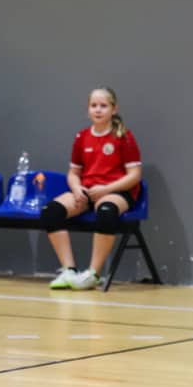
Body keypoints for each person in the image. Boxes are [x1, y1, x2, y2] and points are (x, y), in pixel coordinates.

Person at [39, 87, 142, 291]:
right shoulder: (82, 137)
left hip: (116, 191)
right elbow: (73, 173)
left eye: (103, 106)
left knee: (106, 212)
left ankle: (93, 274)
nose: (98, 110)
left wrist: (106, 189)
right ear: (88, 109)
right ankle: (69, 270)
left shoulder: (124, 136)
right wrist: (77, 188)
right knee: (51, 211)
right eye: (94, 105)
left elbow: (134, 175)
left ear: (114, 109)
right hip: (88, 191)